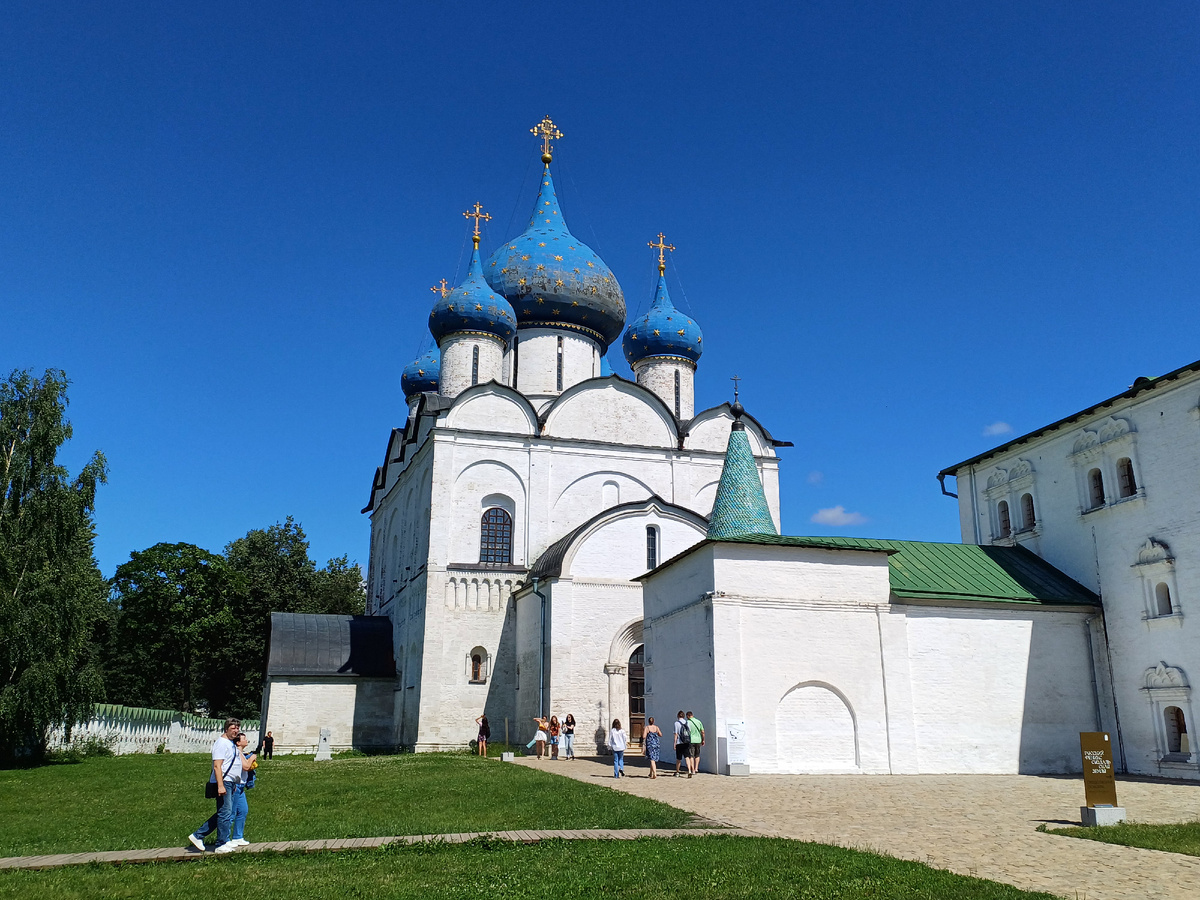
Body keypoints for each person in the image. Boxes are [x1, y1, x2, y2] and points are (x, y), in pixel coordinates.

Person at [187, 718, 241, 853]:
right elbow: (217, 766)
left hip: (229, 782)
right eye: (233, 728)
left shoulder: (229, 743)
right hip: (223, 781)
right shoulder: (221, 744)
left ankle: (214, 838)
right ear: (226, 728)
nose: (236, 731)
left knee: (225, 813)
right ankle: (219, 843)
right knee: (225, 812)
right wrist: (221, 785)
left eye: (238, 728)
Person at [229, 731, 257, 848]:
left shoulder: (242, 753)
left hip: (241, 787)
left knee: (243, 811)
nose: (246, 740)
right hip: (235, 786)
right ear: (238, 742)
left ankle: (237, 837)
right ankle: (224, 839)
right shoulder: (237, 752)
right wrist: (252, 758)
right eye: (244, 738)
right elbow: (245, 766)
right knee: (231, 813)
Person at [685, 710, 705, 777]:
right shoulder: (698, 721)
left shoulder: (687, 722)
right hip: (698, 740)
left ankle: (692, 770)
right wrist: (703, 739)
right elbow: (702, 732)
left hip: (691, 740)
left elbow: (686, 732)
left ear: (688, 716)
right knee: (697, 755)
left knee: (691, 756)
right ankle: (696, 768)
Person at [673, 711, 688, 777]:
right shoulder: (687, 723)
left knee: (679, 758)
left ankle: (677, 772)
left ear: (678, 716)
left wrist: (675, 743)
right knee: (687, 757)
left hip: (679, 742)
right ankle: (690, 770)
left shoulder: (676, 723)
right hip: (686, 742)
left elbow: (676, 734)